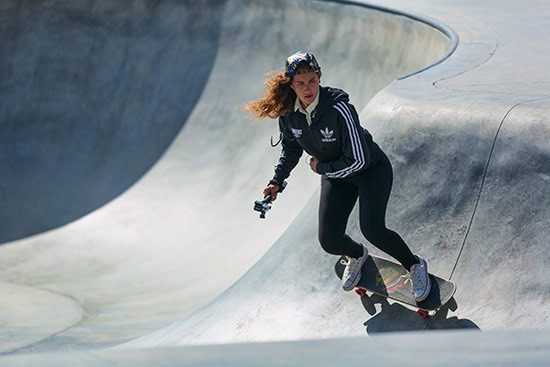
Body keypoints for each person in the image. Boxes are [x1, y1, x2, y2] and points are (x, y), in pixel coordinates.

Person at [243, 51, 431, 301]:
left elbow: (360, 159)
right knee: (329, 240)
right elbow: (291, 149)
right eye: (300, 83)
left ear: (319, 77)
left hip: (370, 171)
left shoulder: (339, 109)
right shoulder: (289, 113)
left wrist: (321, 168)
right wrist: (276, 181)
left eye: (312, 80)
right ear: (291, 84)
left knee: (373, 229)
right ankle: (357, 255)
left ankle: (415, 265)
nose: (307, 88)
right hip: (336, 176)